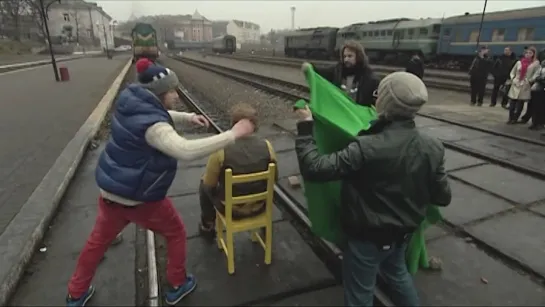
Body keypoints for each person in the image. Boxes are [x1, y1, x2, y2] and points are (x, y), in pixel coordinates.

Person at [66, 58, 256, 307]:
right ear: (159, 93)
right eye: (172, 91)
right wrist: (233, 134)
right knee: (176, 232)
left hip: (113, 190)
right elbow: (184, 150)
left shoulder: (132, 101)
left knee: (97, 242)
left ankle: (76, 293)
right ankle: (177, 285)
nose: (176, 95)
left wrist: (187, 118)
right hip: (141, 197)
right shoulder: (154, 128)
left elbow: (159, 114)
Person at [293, 71, 452, 307]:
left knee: (360, 294)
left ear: (386, 102)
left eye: (379, 94)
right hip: (402, 234)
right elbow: (443, 196)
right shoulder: (433, 146)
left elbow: (315, 168)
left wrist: (306, 128)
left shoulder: (365, 147)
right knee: (398, 276)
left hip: (367, 238)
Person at [197, 103, 278, 238]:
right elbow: (274, 178)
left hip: (231, 210)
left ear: (234, 124)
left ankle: (208, 226)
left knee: (203, 185)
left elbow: (209, 184)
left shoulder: (220, 149)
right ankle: (264, 227)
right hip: (260, 207)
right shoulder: (267, 146)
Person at [301, 40, 380, 107]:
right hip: (341, 116)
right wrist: (310, 67)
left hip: (359, 119)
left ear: (359, 56)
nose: (346, 59)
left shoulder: (370, 78)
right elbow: (321, 72)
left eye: (350, 56)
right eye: (344, 56)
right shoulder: (338, 70)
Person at [506, 46, 541, 124]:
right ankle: (510, 118)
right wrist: (513, 79)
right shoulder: (519, 62)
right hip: (516, 84)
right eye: (527, 53)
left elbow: (536, 74)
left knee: (520, 104)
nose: (528, 54)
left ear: (533, 54)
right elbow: (512, 72)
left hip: (525, 85)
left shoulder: (535, 63)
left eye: (530, 53)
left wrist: (529, 80)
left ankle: (515, 119)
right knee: (512, 104)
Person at [527, 60, 545, 130]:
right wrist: (539, 78)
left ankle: (540, 123)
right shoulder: (540, 68)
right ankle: (535, 123)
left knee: (541, 108)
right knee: (536, 107)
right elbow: (535, 77)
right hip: (538, 89)